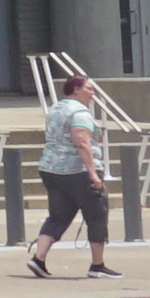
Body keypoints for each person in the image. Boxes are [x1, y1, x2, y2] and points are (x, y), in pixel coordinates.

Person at [26, 74, 116, 277]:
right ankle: (97, 266)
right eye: (89, 89)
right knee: (96, 216)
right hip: (77, 171)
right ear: (76, 89)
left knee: (58, 215)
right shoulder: (80, 113)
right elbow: (82, 142)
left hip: (51, 169)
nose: (92, 94)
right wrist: (93, 174)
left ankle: (38, 259)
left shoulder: (56, 109)